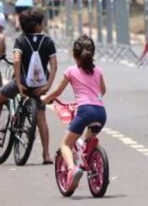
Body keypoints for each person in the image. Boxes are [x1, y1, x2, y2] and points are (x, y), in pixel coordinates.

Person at [0, 9, 57, 165]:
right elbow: (54, 65)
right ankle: (46, 155)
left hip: (24, 83)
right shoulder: (48, 41)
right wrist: (47, 85)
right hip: (40, 86)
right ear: (39, 26)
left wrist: (18, 84)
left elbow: (17, 61)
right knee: (41, 120)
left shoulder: (21, 41)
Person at [43, 35, 106, 193]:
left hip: (85, 111)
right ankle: (94, 164)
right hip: (100, 112)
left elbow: (57, 91)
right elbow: (102, 91)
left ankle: (72, 169)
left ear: (74, 55)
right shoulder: (98, 71)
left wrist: (45, 99)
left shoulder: (71, 71)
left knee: (66, 144)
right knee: (89, 142)